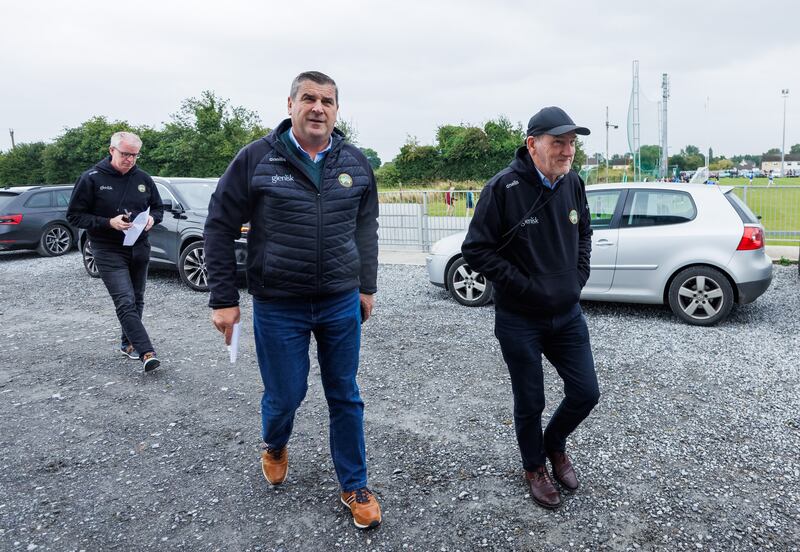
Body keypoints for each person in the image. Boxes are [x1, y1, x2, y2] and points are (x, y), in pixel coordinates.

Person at [203, 71, 381, 529]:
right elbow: (219, 227)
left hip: (340, 301)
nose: (318, 108)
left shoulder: (356, 163)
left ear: (337, 110)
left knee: (345, 394)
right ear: (290, 105)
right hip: (279, 303)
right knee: (286, 394)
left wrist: (366, 287)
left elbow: (366, 229)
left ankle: (354, 484)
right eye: (309, 99)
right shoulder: (256, 160)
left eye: (327, 101)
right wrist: (224, 298)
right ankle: (275, 442)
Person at [462, 106, 600, 510]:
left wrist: (577, 279)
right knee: (531, 400)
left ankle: (554, 444)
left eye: (571, 142)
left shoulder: (573, 183)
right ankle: (534, 467)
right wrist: (524, 286)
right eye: (558, 142)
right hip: (519, 318)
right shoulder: (503, 188)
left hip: (567, 314)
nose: (567, 150)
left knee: (586, 392)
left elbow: (585, 234)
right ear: (532, 144)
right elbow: (476, 249)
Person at [67, 132, 164, 372]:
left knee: (137, 298)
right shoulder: (91, 178)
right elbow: (74, 216)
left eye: (134, 155)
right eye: (125, 154)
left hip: (139, 245)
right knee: (125, 300)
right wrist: (108, 222)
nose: (130, 159)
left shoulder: (143, 178)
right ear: (112, 151)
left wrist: (152, 218)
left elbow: (160, 209)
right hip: (107, 248)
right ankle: (146, 352)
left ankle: (128, 343)